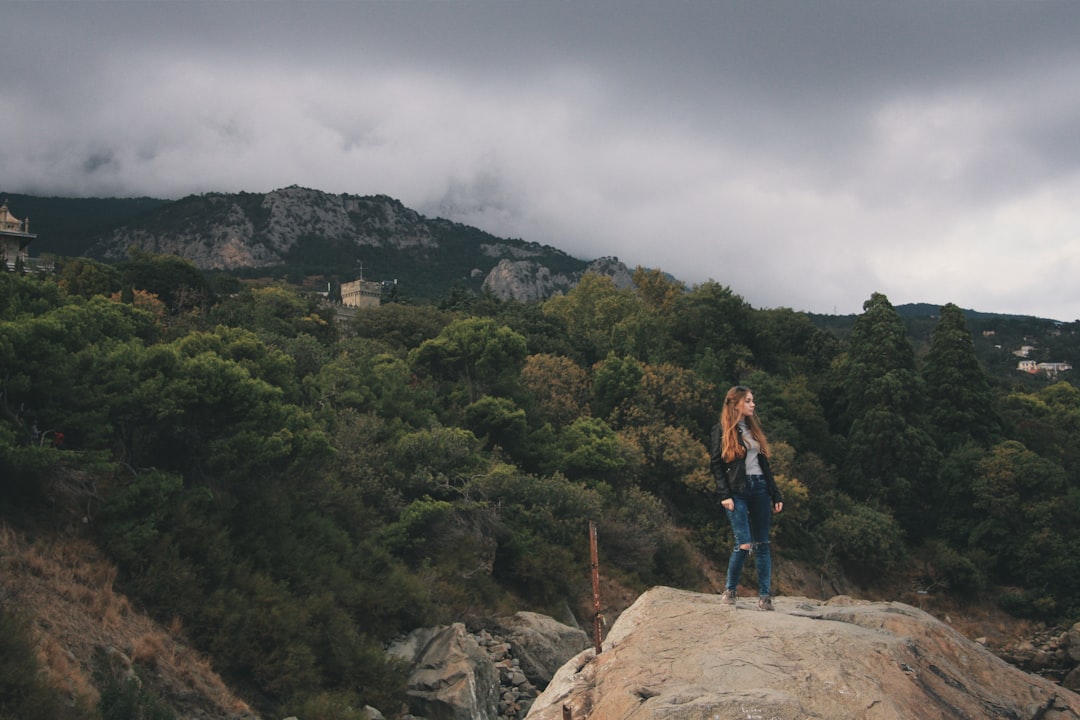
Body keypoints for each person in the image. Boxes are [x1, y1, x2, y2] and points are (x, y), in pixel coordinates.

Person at [710, 385, 783, 610]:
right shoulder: (721, 430)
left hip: (759, 487)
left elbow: (764, 464)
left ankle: (765, 596)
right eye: (749, 400)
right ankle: (730, 590)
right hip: (737, 491)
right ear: (736, 403)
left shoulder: (752, 430)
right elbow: (716, 464)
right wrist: (725, 495)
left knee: (762, 543)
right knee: (743, 543)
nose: (753, 404)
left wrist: (775, 493)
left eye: (752, 400)